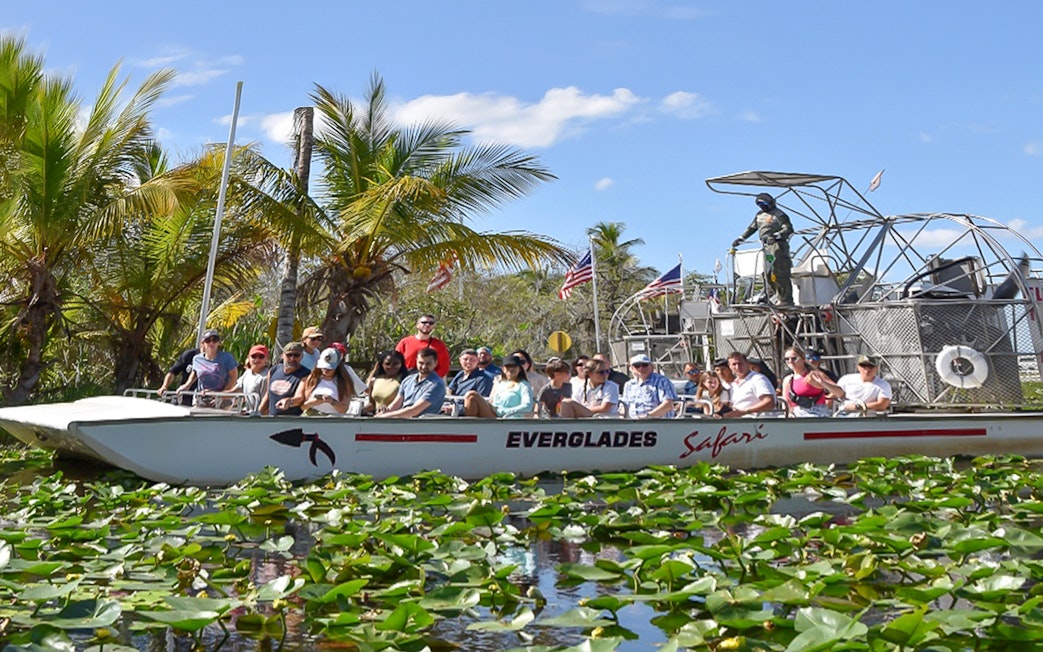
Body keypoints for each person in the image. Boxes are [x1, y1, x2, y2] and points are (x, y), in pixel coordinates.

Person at [731, 193, 794, 305]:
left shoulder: (779, 215)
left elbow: (788, 229)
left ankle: (786, 299)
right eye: (760, 205)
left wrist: (776, 235)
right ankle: (773, 296)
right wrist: (741, 238)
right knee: (767, 273)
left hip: (778, 246)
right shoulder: (759, 215)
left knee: (780, 272)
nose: (763, 206)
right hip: (765, 247)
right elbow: (751, 228)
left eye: (765, 204)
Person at [376, 348, 447, 418]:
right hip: (403, 421)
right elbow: (395, 405)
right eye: (421, 363)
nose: (424, 366)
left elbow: (414, 411)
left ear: (435, 363)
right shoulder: (408, 380)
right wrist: (383, 414)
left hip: (422, 423)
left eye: (428, 364)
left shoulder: (437, 385)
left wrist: (386, 416)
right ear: (416, 361)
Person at [177, 329, 238, 406]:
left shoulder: (227, 358)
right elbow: (195, 374)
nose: (211, 343)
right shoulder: (197, 359)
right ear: (203, 344)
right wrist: (186, 385)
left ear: (218, 343)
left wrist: (222, 395)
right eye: (208, 340)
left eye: (214, 340)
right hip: (202, 397)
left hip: (223, 399)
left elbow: (234, 378)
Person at [463, 355, 534, 418]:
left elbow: (527, 406)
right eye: (508, 366)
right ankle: (469, 429)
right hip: (494, 414)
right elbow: (492, 400)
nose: (511, 369)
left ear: (520, 369)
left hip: (509, 419)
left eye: (514, 366)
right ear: (503, 369)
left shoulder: (524, 385)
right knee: (470, 396)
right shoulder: (501, 383)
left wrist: (504, 411)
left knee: (472, 395)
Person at [780, 347, 844, 417]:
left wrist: (823, 383)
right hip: (796, 415)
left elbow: (840, 393)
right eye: (787, 359)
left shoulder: (814, 375)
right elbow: (786, 403)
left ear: (803, 359)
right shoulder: (788, 380)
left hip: (816, 413)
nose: (790, 361)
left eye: (794, 358)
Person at [294, 347, 354, 415]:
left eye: (330, 368)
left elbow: (344, 409)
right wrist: (312, 402)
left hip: (332, 418)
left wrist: (332, 401)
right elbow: (303, 407)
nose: (326, 370)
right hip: (311, 415)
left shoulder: (344, 382)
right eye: (324, 367)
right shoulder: (313, 378)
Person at [621, 354, 678, 419]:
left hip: (657, 423)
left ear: (651, 367)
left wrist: (648, 416)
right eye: (637, 366)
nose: (641, 368)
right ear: (631, 369)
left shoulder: (662, 381)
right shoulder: (629, 385)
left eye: (645, 365)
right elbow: (624, 406)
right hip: (632, 424)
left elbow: (668, 405)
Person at [261, 342, 310, 416]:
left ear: (301, 356)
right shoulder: (273, 370)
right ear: (282, 356)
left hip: (292, 420)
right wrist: (258, 412)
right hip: (272, 419)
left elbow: (300, 397)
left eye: (296, 355)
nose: (292, 358)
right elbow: (267, 395)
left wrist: (289, 402)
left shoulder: (305, 373)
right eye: (289, 355)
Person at [395, 314, 451, 378]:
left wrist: (431, 380)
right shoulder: (405, 342)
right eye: (424, 322)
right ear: (417, 325)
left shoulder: (439, 345)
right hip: (407, 379)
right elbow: (395, 361)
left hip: (429, 381)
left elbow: (444, 367)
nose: (427, 325)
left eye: (431, 323)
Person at [727, 351, 777, 417]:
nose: (737, 367)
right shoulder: (733, 384)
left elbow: (770, 402)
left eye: (740, 363)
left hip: (759, 422)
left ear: (747, 363)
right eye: (734, 364)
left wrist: (745, 411)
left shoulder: (758, 379)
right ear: (730, 366)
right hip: (739, 422)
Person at [444, 349, 494, 414]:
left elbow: (481, 402)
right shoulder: (460, 374)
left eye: (472, 360)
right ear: (460, 360)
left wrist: (456, 408)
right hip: (450, 407)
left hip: (467, 413)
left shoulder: (483, 379)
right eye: (465, 359)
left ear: (478, 361)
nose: (468, 362)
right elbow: (450, 390)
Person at [365, 350, 408, 415]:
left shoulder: (406, 381)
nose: (391, 367)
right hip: (377, 417)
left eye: (396, 364)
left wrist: (388, 408)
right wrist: (363, 410)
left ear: (401, 364)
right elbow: (372, 404)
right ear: (382, 364)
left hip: (395, 417)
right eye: (388, 364)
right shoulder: (374, 381)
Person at [233, 344, 270, 408]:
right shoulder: (247, 373)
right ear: (248, 358)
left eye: (261, 356)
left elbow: (266, 403)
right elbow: (235, 390)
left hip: (260, 416)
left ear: (266, 359)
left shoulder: (266, 377)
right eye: (254, 356)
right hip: (248, 413)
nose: (257, 359)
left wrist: (256, 414)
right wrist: (219, 396)